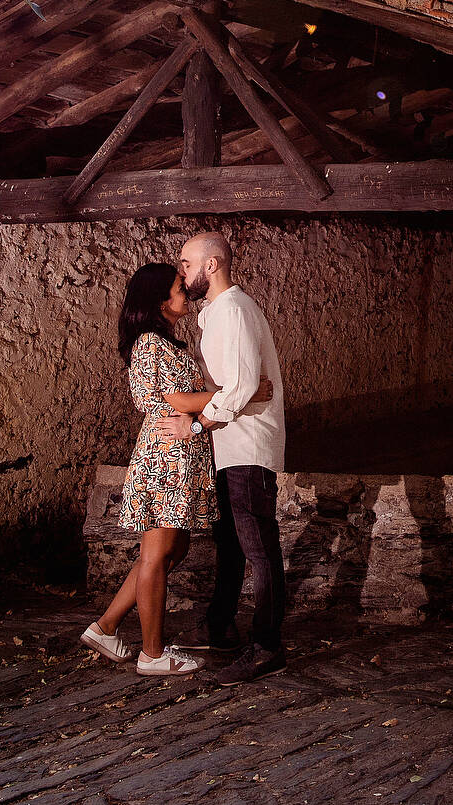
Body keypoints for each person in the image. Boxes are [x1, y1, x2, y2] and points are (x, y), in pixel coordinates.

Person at [79, 262, 269, 677]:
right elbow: (174, 400)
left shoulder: (163, 342)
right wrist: (239, 390)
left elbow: (182, 398)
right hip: (166, 456)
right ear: (160, 301)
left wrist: (223, 395)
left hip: (178, 454)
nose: (187, 293)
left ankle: (106, 627)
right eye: (179, 288)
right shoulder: (149, 343)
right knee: (157, 551)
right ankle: (152, 654)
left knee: (172, 549)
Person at [155, 231, 288, 685]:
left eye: (187, 263)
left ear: (212, 266)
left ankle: (267, 645)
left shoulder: (232, 311)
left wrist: (194, 424)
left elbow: (242, 387)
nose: (183, 271)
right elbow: (238, 387)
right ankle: (220, 626)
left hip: (248, 445)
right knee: (231, 541)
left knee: (258, 548)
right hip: (233, 443)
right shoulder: (218, 313)